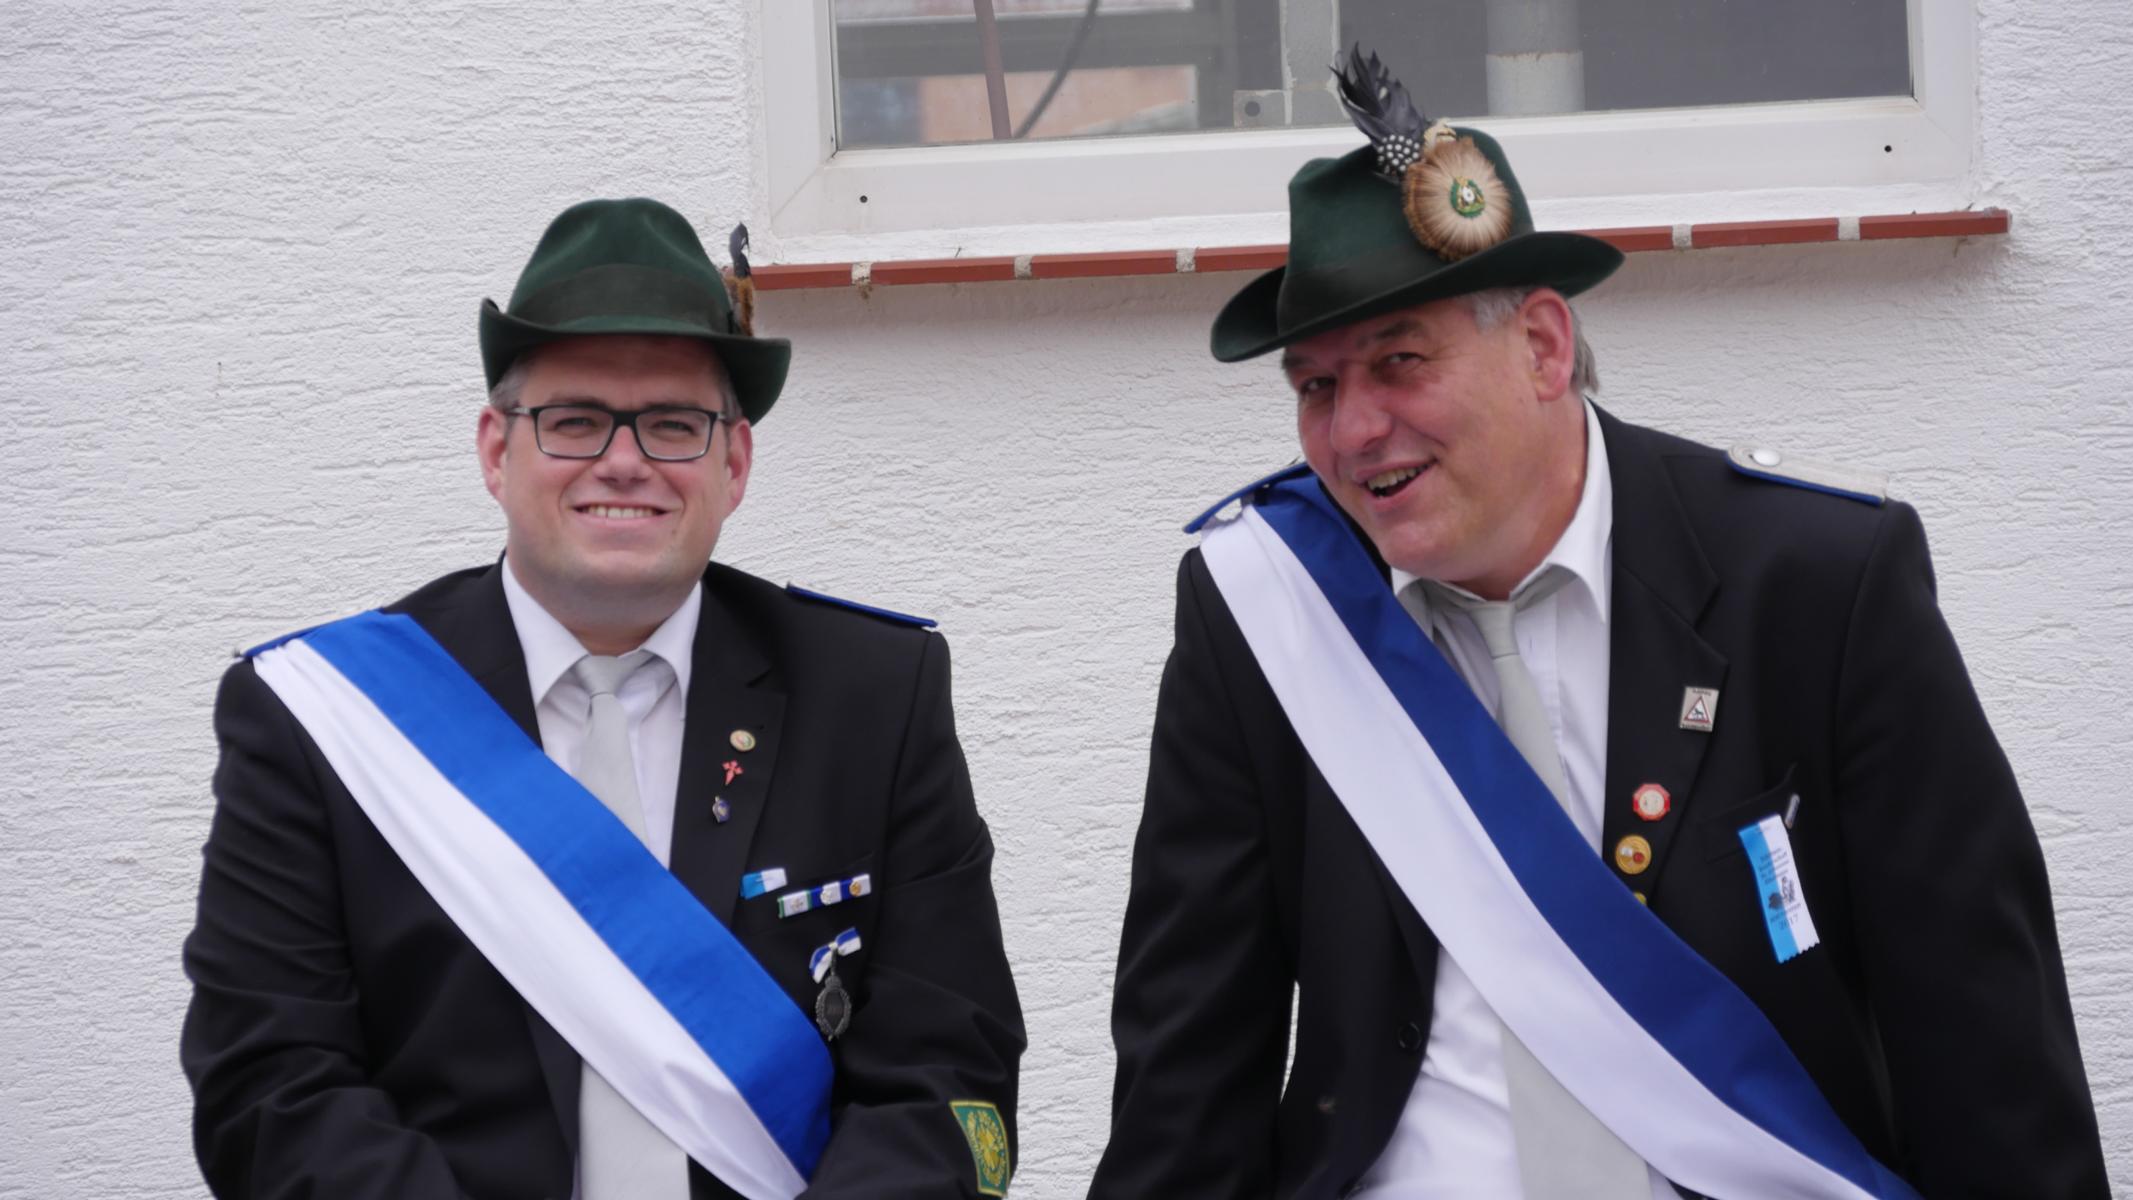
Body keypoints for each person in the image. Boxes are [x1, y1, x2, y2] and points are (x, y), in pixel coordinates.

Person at [1089, 50, 2105, 1200]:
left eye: (1399, 362)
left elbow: (1985, 1053)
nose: (1354, 429)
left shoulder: (1817, 586)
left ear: (1542, 346)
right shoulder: (1265, 610)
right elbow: (1189, 1064)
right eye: (1317, 387)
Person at [182, 198, 1023, 1200]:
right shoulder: (320, 719)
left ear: (734, 464)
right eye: (574, 420)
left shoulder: (873, 696)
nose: (624, 461)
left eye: (673, 424)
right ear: (496, 451)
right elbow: (271, 1089)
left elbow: (948, 1073)